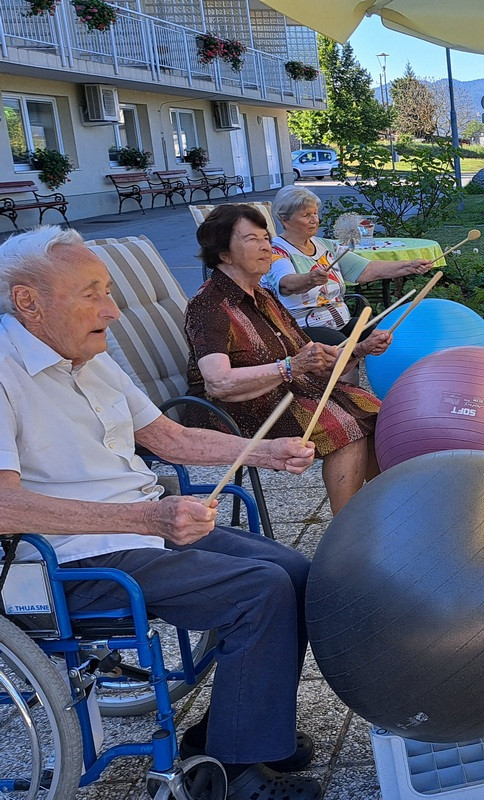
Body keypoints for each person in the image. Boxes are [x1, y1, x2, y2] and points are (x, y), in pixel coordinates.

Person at [0, 226, 323, 800]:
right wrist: (147, 521)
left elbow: (170, 438)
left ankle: (232, 732)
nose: (113, 309)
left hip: (141, 528)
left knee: (296, 572)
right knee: (259, 590)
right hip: (71, 562)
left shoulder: (89, 353)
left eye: (109, 291)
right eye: (92, 293)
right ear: (29, 302)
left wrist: (267, 452)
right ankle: (232, 775)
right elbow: (4, 507)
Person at [186, 204, 388, 514]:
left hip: (287, 392)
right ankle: (347, 531)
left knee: (380, 415)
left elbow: (311, 356)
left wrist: (359, 349)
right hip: (233, 410)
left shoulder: (263, 295)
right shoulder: (210, 305)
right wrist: (291, 367)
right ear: (224, 253)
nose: (266, 245)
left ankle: (382, 514)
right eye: (252, 238)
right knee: (344, 427)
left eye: (266, 237)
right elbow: (219, 383)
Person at [265, 185, 433, 345]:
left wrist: (409, 266)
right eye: (306, 215)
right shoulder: (275, 251)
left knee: (381, 339)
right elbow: (286, 283)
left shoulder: (327, 246)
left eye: (315, 213)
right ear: (284, 220)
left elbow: (367, 270)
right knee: (343, 347)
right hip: (301, 328)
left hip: (341, 321)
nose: (314, 220)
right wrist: (310, 279)